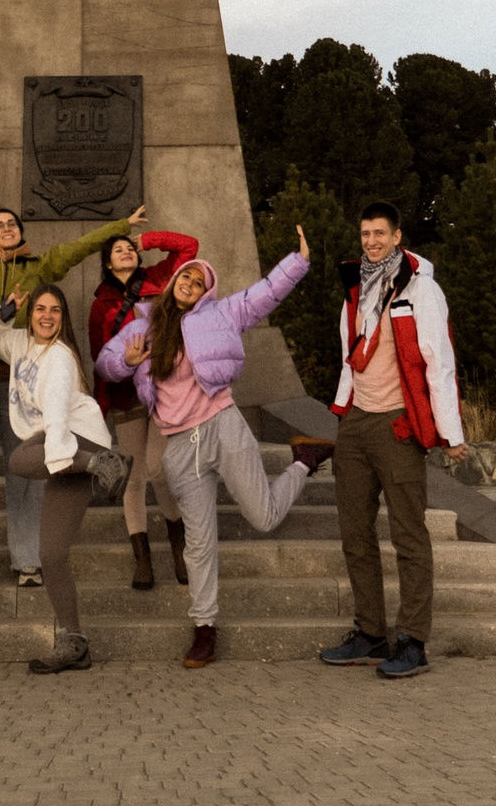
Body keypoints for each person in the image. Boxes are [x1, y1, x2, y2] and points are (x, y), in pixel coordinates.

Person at [0, 123, 146, 589]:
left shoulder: (38, 267)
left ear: (20, 233)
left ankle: (26, 557)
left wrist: (121, 226)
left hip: (21, 383)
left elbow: (80, 248)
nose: (6, 229)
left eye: (12, 224)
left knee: (26, 469)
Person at [98, 232, 334, 669]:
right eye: (185, 276)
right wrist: (126, 363)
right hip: (178, 445)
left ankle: (303, 461)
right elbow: (105, 361)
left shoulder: (224, 313)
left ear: (208, 290)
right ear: (172, 283)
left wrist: (298, 261)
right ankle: (204, 629)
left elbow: (267, 292)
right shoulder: (143, 323)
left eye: (199, 280)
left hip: (222, 425)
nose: (190, 282)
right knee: (199, 543)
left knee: (262, 516)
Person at [318, 200, 466, 681]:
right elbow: (349, 355)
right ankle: (370, 633)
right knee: (356, 535)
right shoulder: (355, 284)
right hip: (358, 422)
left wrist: (450, 432)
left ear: (398, 236)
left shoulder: (422, 289)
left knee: (408, 536)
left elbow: (438, 361)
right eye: (365, 234)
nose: (371, 241)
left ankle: (413, 641)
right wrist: (342, 415)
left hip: (399, 423)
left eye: (380, 234)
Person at [0, 281, 126, 672]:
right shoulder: (22, 344)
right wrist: (7, 310)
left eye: (55, 311)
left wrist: (75, 458)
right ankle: (75, 644)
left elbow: (59, 416)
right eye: (41, 309)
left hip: (80, 441)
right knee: (51, 554)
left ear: (63, 319)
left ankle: (104, 465)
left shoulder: (60, 358)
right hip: (65, 453)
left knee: (17, 461)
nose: (47, 316)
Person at [87, 225, 198, 588]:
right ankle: (143, 561)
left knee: (159, 467)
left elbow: (189, 247)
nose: (125, 252)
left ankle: (180, 548)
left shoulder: (160, 277)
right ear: (106, 262)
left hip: (167, 389)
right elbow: (99, 357)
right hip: (126, 396)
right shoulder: (101, 304)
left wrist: (146, 240)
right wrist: (127, 363)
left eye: (129, 248)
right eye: (117, 250)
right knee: (134, 476)